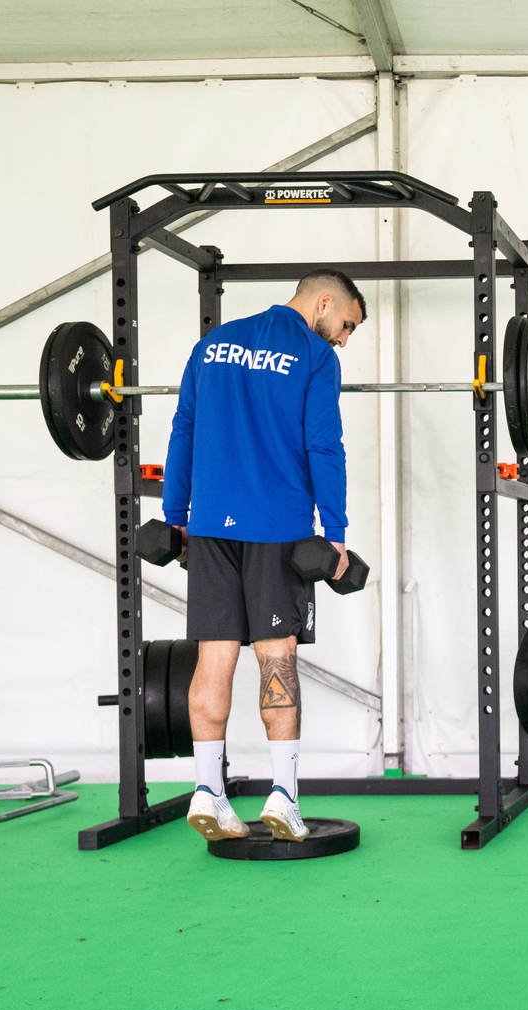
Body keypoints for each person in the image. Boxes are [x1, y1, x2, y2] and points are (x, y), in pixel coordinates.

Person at [161, 270, 366, 842]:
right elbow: (323, 445)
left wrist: (177, 516)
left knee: (214, 658)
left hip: (209, 529)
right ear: (323, 302)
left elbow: (183, 430)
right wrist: (335, 530)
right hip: (277, 531)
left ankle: (208, 791)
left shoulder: (212, 345)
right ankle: (283, 796)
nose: (344, 338)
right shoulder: (315, 357)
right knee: (277, 659)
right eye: (346, 324)